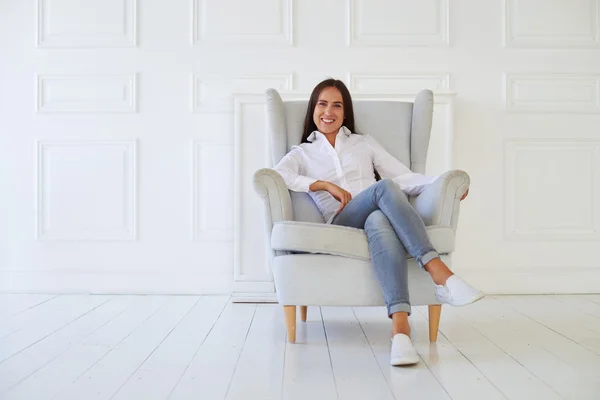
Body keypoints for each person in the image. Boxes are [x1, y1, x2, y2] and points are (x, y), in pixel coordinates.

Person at [272, 78, 485, 366]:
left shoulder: (363, 143)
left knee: (378, 218)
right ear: (313, 109)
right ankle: (440, 274)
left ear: (345, 113)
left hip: (373, 215)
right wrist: (322, 184)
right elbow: (278, 175)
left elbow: (403, 178)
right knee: (382, 189)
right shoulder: (302, 153)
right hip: (342, 219)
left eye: (337, 105)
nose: (329, 111)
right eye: (322, 104)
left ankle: (401, 333)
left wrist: (443, 183)